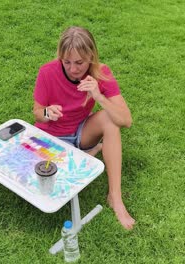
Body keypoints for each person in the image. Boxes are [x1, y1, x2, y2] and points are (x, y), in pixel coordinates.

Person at [32, 26, 136, 230]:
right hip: (51, 139)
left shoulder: (101, 73)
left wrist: (98, 96)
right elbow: (37, 113)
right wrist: (47, 113)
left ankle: (115, 197)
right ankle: (87, 152)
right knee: (48, 186)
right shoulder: (47, 72)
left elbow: (126, 120)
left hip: (80, 131)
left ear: (91, 56)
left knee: (110, 120)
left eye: (79, 62)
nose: (73, 69)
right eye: (67, 62)